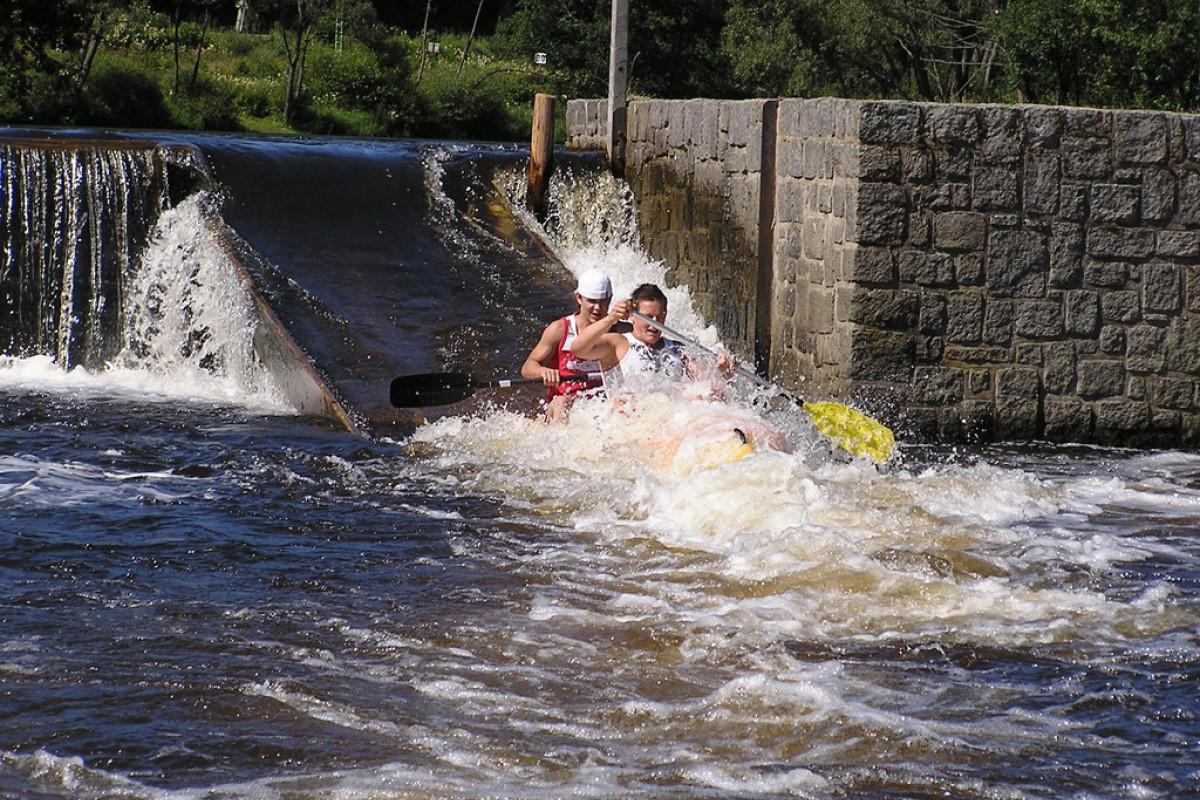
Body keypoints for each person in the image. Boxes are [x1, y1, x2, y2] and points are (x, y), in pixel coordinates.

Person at [520, 268, 621, 418]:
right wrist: (543, 372)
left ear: (610, 299)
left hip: (602, 404)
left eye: (603, 302)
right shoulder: (559, 330)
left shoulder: (620, 331)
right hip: (564, 403)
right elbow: (528, 368)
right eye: (592, 301)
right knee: (562, 403)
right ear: (579, 298)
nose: (598, 308)